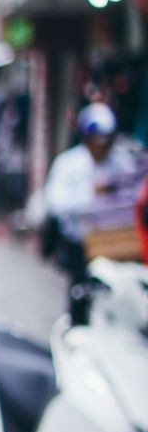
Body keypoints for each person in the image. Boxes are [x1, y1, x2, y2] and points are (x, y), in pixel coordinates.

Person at [43, 102, 138, 323]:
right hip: (80, 245)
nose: (102, 148)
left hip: (114, 246)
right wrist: (92, 193)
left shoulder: (121, 162)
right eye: (97, 142)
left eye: (106, 142)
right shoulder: (69, 164)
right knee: (81, 296)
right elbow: (55, 203)